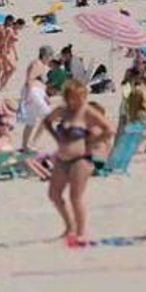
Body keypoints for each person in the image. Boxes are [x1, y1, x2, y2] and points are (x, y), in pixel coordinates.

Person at [42, 79, 114, 243]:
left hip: (81, 159)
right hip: (61, 159)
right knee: (54, 194)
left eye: (83, 96)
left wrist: (92, 142)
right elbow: (46, 122)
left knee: (75, 197)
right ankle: (69, 226)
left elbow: (109, 129)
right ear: (68, 96)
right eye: (77, 97)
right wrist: (56, 137)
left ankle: (81, 232)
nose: (80, 100)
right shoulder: (62, 110)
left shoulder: (87, 111)